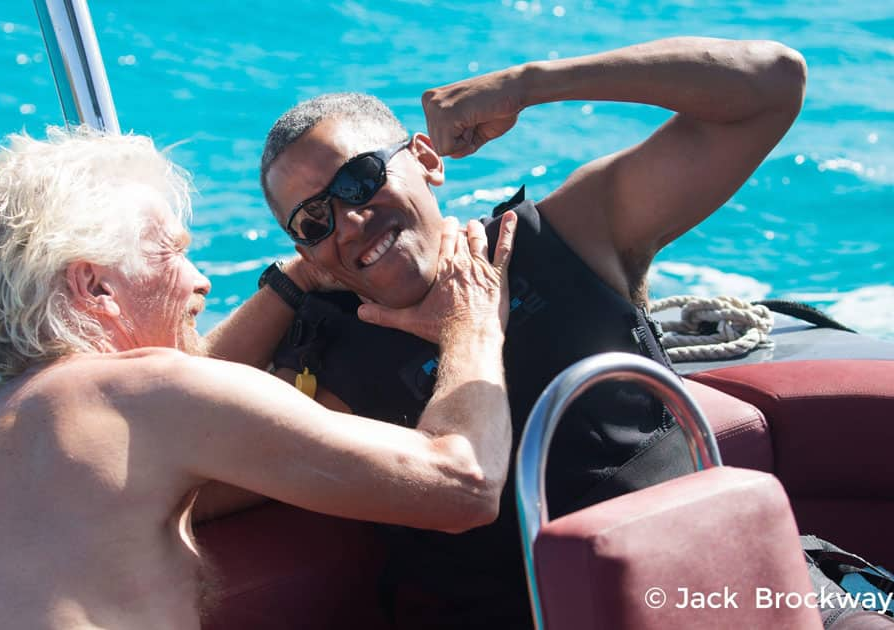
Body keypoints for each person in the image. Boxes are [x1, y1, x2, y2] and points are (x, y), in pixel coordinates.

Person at [257, 37, 807, 628]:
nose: (352, 221)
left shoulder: (568, 239)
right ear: (306, 250)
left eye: (360, 179)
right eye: (315, 220)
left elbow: (773, 84)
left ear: (426, 160)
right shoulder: (328, 373)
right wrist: (286, 286)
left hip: (732, 591)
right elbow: (187, 429)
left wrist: (531, 84)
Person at [0, 126, 518, 629]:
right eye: (172, 253)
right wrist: (473, 321)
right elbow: (462, 482)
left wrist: (298, 279)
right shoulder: (144, 395)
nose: (201, 281)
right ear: (95, 287)